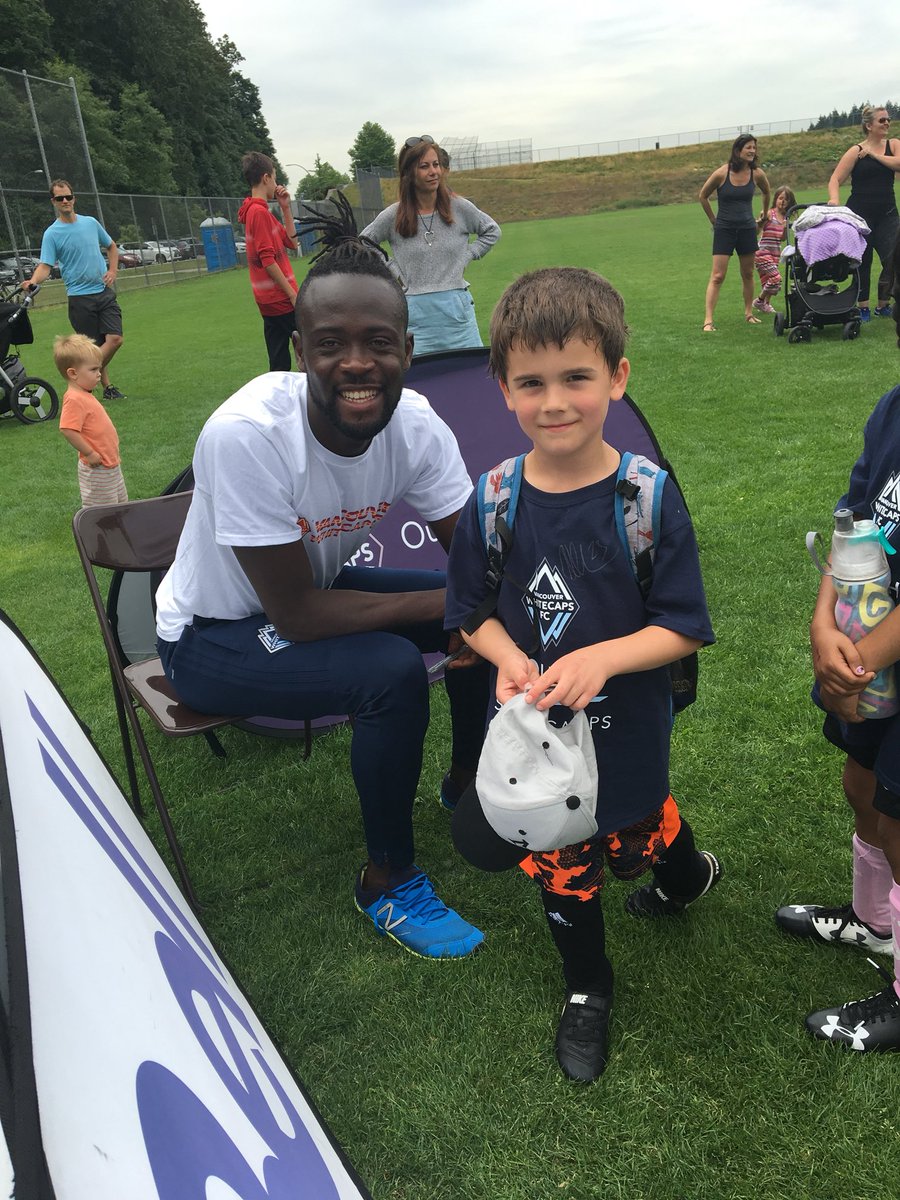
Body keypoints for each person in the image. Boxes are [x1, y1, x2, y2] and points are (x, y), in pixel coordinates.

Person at [154, 196, 489, 961]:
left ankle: (469, 785)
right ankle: (388, 881)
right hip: (210, 637)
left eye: (378, 343)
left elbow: (473, 558)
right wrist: (460, 604)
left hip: (303, 603)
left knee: (474, 608)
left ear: (408, 349)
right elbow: (297, 616)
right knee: (393, 671)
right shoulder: (247, 435)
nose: (357, 363)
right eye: (332, 344)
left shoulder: (416, 425)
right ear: (300, 350)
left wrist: (477, 601)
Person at [444, 267, 719, 1082]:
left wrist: (602, 656)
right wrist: (506, 657)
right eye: (531, 383)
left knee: (643, 820)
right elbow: (470, 611)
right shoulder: (494, 499)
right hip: (540, 743)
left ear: (617, 378)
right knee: (561, 859)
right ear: (504, 389)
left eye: (576, 378)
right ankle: (587, 987)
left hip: (626, 729)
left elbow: (683, 625)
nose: (554, 401)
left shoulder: (646, 498)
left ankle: (685, 875)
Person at [775, 239, 900, 1051]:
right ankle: (874, 921)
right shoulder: (892, 410)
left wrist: (861, 658)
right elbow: (855, 520)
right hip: (868, 658)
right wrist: (825, 623)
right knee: (863, 784)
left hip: (877, 658)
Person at [361, 136, 500, 355]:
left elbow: (492, 230)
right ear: (408, 173)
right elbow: (364, 243)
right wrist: (393, 269)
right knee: (421, 375)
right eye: (424, 166)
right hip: (416, 319)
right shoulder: (393, 215)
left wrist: (469, 254)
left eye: (436, 165)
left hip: (458, 316)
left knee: (467, 371)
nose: (433, 172)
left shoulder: (459, 207)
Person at [24, 180, 126, 401]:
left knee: (115, 339)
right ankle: (107, 388)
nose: (65, 201)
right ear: (53, 202)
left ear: (74, 198)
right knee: (94, 346)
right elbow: (45, 265)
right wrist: (33, 281)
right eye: (60, 198)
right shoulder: (52, 233)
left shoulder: (90, 223)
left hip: (103, 292)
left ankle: (81, 381)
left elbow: (111, 246)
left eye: (68, 197)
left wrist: (113, 270)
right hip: (80, 298)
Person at [827, 105, 899, 321]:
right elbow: (835, 179)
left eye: (888, 119)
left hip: (888, 214)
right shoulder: (856, 150)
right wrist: (834, 200)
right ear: (869, 126)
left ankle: (884, 304)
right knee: (862, 261)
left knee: (893, 259)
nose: (887, 123)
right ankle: (863, 307)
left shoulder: (893, 145)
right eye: (882, 120)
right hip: (860, 216)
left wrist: (874, 156)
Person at [699, 135, 771, 331]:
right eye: (748, 147)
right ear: (738, 150)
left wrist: (764, 214)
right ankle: (708, 321)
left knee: (748, 273)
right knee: (718, 276)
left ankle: (748, 313)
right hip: (724, 230)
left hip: (747, 229)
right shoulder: (722, 173)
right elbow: (703, 196)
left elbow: (766, 191)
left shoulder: (757, 174)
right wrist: (713, 220)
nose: (752, 151)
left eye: (754, 147)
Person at [237, 151, 299, 370]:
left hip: (268, 301)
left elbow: (292, 242)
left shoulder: (258, 211)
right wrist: (292, 294)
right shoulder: (258, 213)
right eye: (274, 177)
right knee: (314, 350)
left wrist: (285, 208)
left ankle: (280, 392)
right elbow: (268, 260)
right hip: (281, 298)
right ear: (266, 178)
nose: (276, 183)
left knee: (279, 361)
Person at [54, 333, 127, 507]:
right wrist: (89, 453)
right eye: (93, 370)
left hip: (110, 463)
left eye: (99, 369)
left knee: (121, 506)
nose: (99, 374)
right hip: (98, 468)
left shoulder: (84, 393)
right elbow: (68, 429)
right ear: (73, 373)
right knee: (102, 512)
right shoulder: (74, 398)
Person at [752, 185, 795, 314]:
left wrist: (785, 228)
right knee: (776, 278)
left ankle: (766, 304)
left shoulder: (786, 218)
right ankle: (759, 301)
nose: (783, 201)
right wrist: (761, 220)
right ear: (776, 199)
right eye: (780, 198)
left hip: (775, 253)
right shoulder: (770, 213)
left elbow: (782, 238)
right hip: (762, 251)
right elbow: (758, 228)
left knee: (767, 281)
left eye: (786, 199)